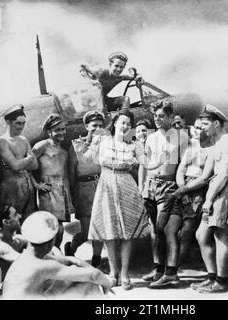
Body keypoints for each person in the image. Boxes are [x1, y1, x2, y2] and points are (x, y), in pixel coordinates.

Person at [87, 109, 164, 290]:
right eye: (122, 122)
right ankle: (113, 272)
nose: (125, 126)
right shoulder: (104, 140)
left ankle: (124, 273)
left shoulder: (134, 145)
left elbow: (147, 163)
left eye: (128, 124)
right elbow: (88, 159)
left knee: (128, 231)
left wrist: (162, 159)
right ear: (114, 123)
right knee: (109, 230)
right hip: (106, 182)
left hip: (126, 183)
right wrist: (89, 142)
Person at [173, 105, 228, 292]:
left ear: (216, 123)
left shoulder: (227, 141)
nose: (202, 129)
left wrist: (209, 199)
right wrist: (182, 190)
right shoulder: (214, 146)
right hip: (213, 191)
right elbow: (203, 177)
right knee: (201, 235)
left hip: (223, 191)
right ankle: (212, 277)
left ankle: (222, 281)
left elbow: (224, 174)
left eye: (205, 124)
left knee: (220, 234)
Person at [2, 211, 112, 300]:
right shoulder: (43, 266)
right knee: (88, 284)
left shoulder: (28, 258)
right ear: (52, 242)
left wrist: (92, 272)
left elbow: (71, 260)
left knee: (72, 279)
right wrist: (107, 283)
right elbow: (94, 275)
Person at [141, 99, 189, 288]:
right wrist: (144, 186)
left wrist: (181, 188)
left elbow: (184, 166)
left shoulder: (181, 137)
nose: (158, 119)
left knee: (165, 228)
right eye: (155, 116)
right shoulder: (151, 137)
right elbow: (146, 164)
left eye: (162, 116)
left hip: (170, 186)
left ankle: (170, 272)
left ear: (171, 117)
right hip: (153, 185)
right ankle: (160, 269)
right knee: (156, 229)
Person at [65, 110, 106, 266]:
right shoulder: (76, 145)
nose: (97, 128)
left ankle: (96, 259)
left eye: (100, 126)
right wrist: (73, 197)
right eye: (94, 125)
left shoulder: (105, 144)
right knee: (87, 230)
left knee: (100, 227)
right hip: (84, 190)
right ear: (86, 126)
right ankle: (72, 246)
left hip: (101, 186)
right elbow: (71, 173)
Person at [32, 114, 75, 248]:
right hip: (48, 189)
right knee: (52, 227)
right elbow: (27, 167)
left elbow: (66, 175)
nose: (61, 133)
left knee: (60, 230)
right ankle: (49, 254)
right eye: (57, 130)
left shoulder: (64, 152)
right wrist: (37, 185)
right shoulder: (42, 146)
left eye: (63, 129)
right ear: (49, 132)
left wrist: (70, 198)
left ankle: (56, 252)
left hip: (62, 189)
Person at [0, 105, 38, 219]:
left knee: (29, 220)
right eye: (18, 123)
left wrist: (23, 163)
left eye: (24, 123)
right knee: (12, 221)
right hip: (11, 188)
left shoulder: (24, 140)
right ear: (8, 122)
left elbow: (35, 166)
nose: (22, 127)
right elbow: (15, 166)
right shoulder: (2, 142)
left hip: (27, 187)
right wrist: (28, 159)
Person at [0, 205, 25, 281]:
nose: (20, 216)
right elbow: (25, 262)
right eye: (15, 214)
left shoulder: (17, 239)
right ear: (6, 222)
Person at [135, 119, 154, 193]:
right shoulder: (135, 148)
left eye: (144, 130)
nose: (141, 133)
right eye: (138, 132)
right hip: (141, 185)